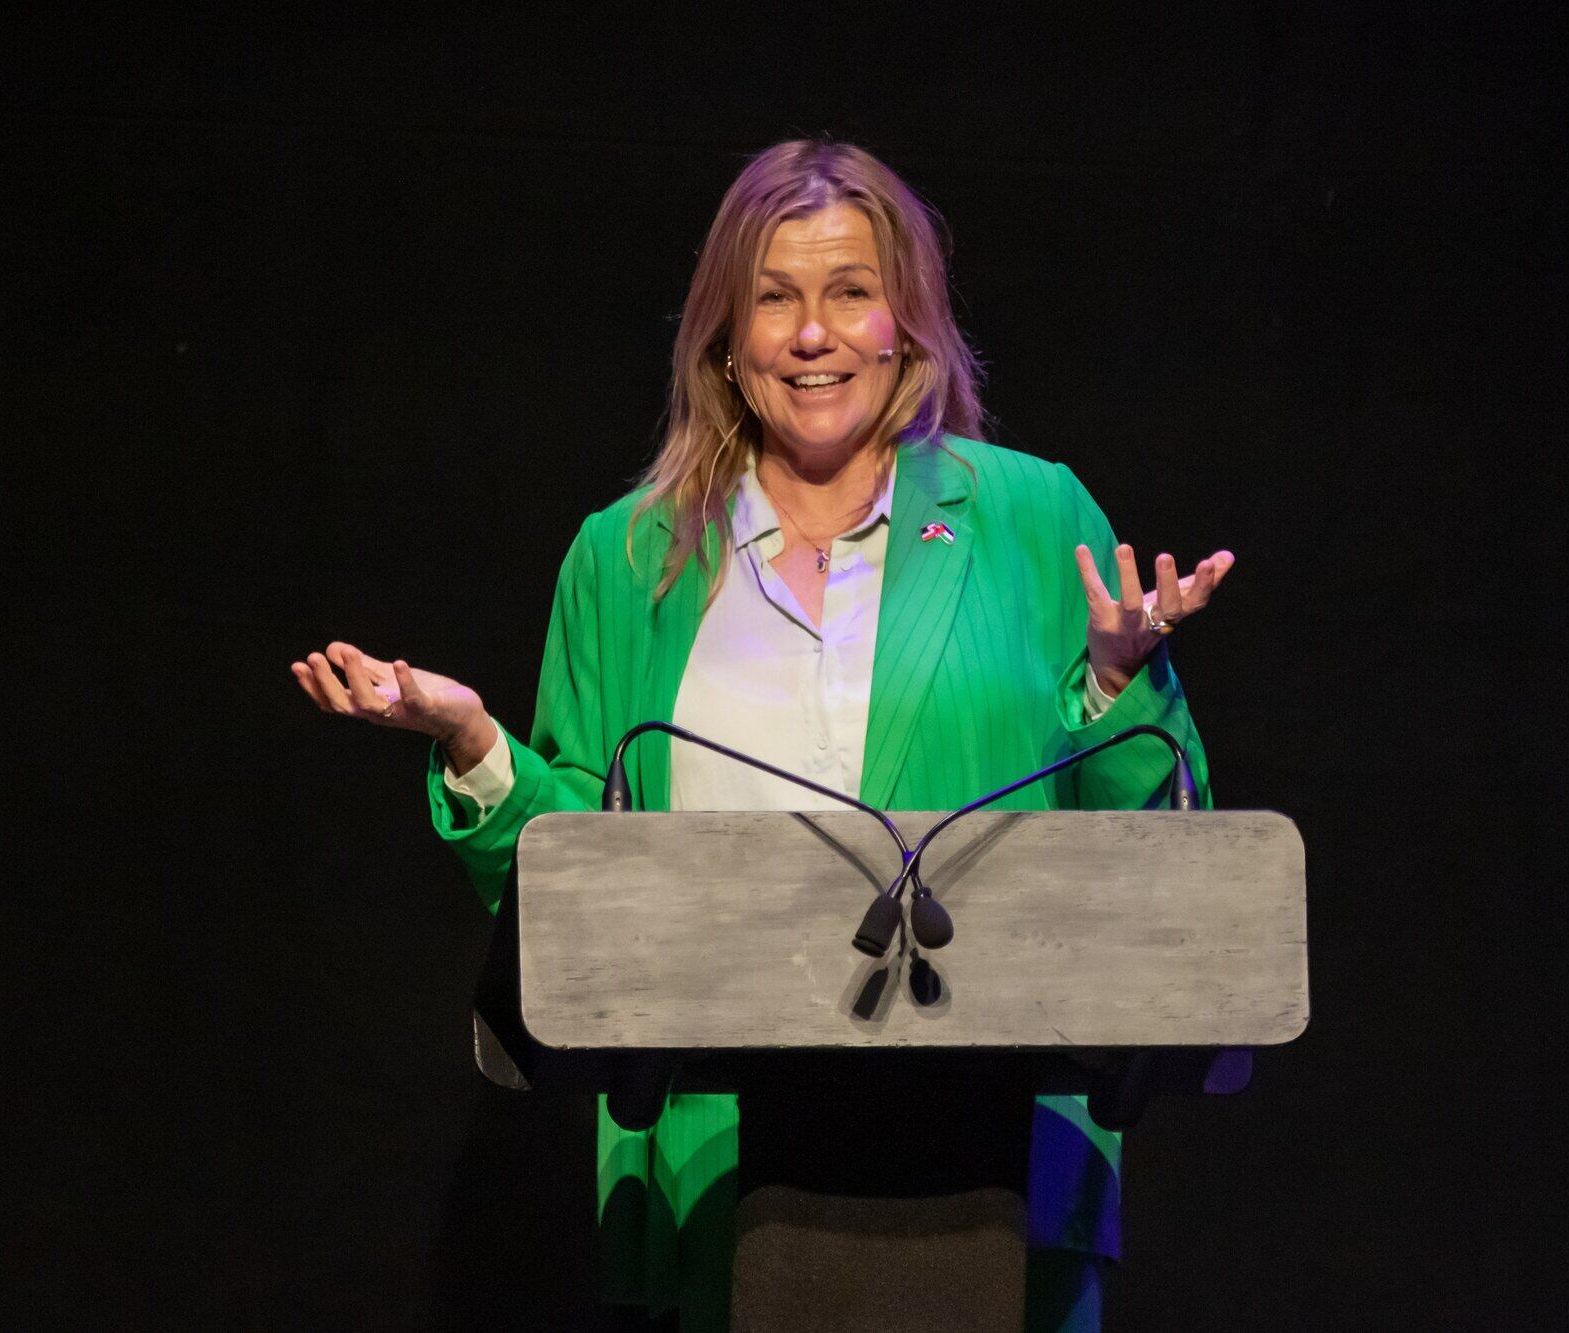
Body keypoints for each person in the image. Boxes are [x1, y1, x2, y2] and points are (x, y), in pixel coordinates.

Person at [291, 139, 1232, 1332]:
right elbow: (582, 877)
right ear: (724, 338)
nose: (811, 334)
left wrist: (1112, 686)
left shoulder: (1031, 516)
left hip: (992, 1170)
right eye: (773, 298)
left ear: (907, 321)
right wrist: (477, 743)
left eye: (848, 292)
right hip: (717, 1164)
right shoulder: (625, 558)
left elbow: (1151, 848)